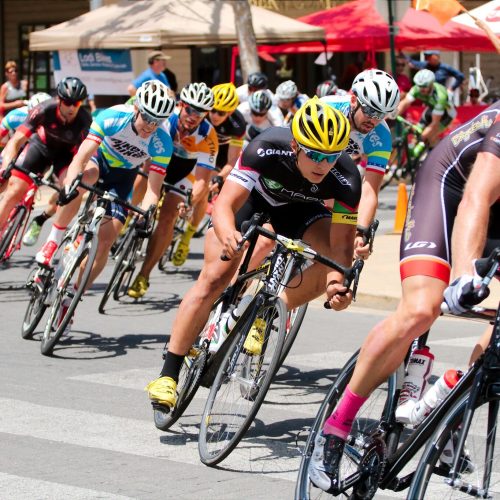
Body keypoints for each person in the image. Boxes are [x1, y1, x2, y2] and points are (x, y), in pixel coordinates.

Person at [307, 101, 500, 493]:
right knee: (421, 309)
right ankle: (336, 429)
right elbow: (475, 199)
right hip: (451, 187)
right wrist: (463, 276)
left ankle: (451, 404)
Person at [145, 97, 362, 409]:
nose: (321, 164)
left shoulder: (347, 178)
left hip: (302, 212)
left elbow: (341, 248)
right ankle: (168, 374)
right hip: (254, 200)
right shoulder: (265, 147)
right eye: (313, 154)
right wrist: (227, 233)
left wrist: (336, 286)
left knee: (333, 259)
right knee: (215, 277)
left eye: (330, 156)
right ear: (295, 147)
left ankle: (271, 306)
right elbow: (224, 205)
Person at [35, 81, 175, 332]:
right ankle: (54, 239)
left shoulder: (162, 142)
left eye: (158, 121)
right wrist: (69, 186)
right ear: (137, 109)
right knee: (82, 179)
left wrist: (146, 215)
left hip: (122, 178)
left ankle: (71, 298)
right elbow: (81, 157)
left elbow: (153, 189)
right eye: (147, 118)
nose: (150, 126)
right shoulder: (114, 116)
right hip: (99, 162)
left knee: (107, 239)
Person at [127, 82, 219, 298]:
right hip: (160, 161)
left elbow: (203, 182)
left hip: (185, 173)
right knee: (143, 174)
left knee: (168, 216)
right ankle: (128, 214)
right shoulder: (166, 119)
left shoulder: (208, 136)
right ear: (181, 105)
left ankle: (144, 275)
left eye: (201, 112)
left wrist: (189, 203)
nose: (193, 116)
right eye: (190, 109)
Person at [322, 69, 400, 259]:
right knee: (264, 243)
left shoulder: (381, 137)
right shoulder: (325, 109)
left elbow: (370, 190)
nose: (374, 120)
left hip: (333, 174)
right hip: (303, 169)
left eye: (382, 114)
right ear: (354, 100)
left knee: (341, 254)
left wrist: (361, 232)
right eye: (371, 111)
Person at [0, 78, 91, 230]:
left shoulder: (85, 120)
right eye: (68, 103)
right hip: (40, 148)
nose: (72, 108)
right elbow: (15, 141)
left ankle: (44, 228)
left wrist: (69, 186)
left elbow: (84, 155)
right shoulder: (44, 109)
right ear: (59, 100)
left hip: (65, 157)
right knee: (13, 191)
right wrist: (4, 167)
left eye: (77, 104)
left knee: (72, 191)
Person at [397, 69, 457, 148]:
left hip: (447, 114)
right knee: (417, 132)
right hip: (432, 108)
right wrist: (392, 114)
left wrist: (421, 138)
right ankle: (413, 155)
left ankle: (433, 152)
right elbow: (404, 103)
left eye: (425, 86)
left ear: (431, 84)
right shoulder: (416, 89)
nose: (421, 89)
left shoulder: (440, 96)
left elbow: (434, 123)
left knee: (429, 137)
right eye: (419, 86)